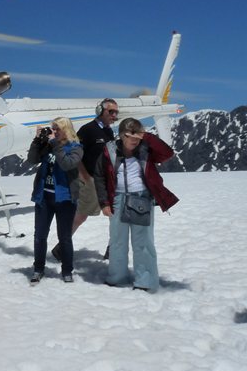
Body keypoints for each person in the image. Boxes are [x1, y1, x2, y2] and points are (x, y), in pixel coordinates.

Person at [93, 118, 178, 293]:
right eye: (131, 136)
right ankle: (117, 277)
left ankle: (145, 281)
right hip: (117, 199)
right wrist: (104, 203)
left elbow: (167, 153)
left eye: (138, 136)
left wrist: (146, 135)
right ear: (122, 135)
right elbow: (100, 176)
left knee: (143, 242)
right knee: (117, 241)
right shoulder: (109, 151)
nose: (135, 140)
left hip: (141, 199)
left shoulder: (146, 148)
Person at [53, 98, 118, 261]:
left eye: (116, 112)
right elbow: (76, 153)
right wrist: (84, 176)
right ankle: (61, 246)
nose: (114, 115)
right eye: (111, 112)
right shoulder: (88, 130)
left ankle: (113, 248)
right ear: (100, 111)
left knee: (114, 214)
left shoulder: (110, 132)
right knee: (81, 215)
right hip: (90, 181)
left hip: (107, 180)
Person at [28, 117, 83, 284]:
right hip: (44, 197)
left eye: (57, 129)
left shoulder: (76, 148)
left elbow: (67, 164)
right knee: (39, 236)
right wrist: (38, 140)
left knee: (65, 237)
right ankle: (38, 268)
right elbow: (32, 159)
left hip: (65, 199)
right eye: (53, 128)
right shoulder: (49, 146)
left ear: (66, 129)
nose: (54, 132)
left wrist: (55, 145)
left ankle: (67, 270)